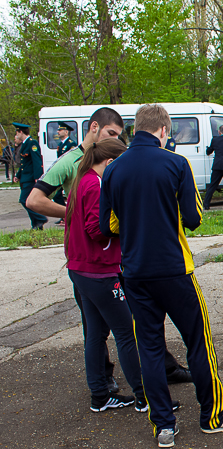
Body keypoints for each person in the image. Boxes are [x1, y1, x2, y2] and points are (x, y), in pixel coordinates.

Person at [99, 104, 223, 448]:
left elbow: (107, 225)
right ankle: (214, 415)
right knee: (199, 341)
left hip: (135, 272)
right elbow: (193, 217)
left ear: (135, 128)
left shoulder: (114, 169)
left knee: (150, 348)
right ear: (165, 130)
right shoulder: (175, 163)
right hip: (174, 268)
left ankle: (163, 425)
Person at [26, 107, 192, 388]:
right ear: (94, 129)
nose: (116, 141)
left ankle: (112, 388)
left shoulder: (106, 168)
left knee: (129, 321)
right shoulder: (74, 165)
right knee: (116, 329)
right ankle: (133, 392)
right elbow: (35, 200)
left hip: (102, 262)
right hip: (95, 263)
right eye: (111, 134)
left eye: (119, 135)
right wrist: (72, 213)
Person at [64, 138, 145, 413]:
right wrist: (128, 223)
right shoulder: (95, 184)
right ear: (110, 163)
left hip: (81, 268)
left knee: (96, 333)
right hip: (99, 270)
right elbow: (97, 228)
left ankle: (100, 395)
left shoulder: (82, 179)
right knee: (126, 333)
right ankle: (144, 395)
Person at [12, 122, 47, 230]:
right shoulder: (25, 144)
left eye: (17, 132)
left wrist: (38, 177)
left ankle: (40, 218)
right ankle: (36, 224)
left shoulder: (32, 143)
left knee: (24, 200)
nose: (16, 135)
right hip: (24, 177)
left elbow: (36, 161)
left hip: (30, 178)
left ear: (21, 132)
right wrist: (17, 175)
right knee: (29, 202)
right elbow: (24, 163)